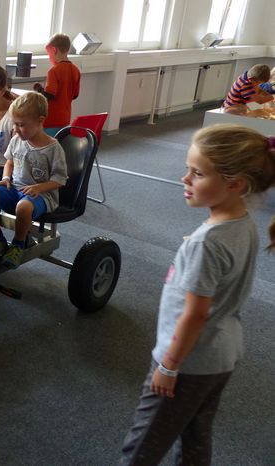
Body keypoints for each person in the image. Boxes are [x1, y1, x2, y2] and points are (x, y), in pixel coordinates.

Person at [119, 124, 275, 465]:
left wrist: (169, 366)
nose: (185, 179)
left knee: (143, 446)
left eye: (198, 173)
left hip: (188, 362)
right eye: (188, 169)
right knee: (195, 435)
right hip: (220, 356)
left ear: (235, 184)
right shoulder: (244, 223)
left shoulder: (208, 243)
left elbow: (195, 314)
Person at [0, 91, 67, 269]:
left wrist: (38, 188)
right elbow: (10, 162)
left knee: (24, 207)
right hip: (15, 188)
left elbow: (60, 180)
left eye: (21, 125)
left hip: (42, 196)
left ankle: (18, 245)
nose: (16, 129)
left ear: (40, 121)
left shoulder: (53, 148)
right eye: (14, 124)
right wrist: (5, 178)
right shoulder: (17, 140)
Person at [33, 33, 81, 137]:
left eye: (49, 54)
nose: (49, 57)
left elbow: (50, 95)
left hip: (51, 120)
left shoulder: (54, 71)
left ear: (54, 50)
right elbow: (75, 95)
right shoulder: (76, 70)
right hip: (65, 119)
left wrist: (39, 89)